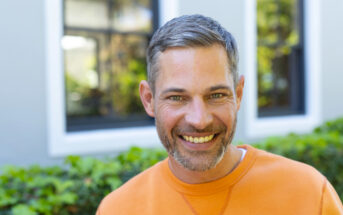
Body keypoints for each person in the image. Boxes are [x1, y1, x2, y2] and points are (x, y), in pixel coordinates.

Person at [96, 14, 343, 215]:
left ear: (238, 94)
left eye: (215, 95)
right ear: (149, 100)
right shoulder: (118, 208)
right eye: (177, 98)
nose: (199, 119)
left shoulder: (310, 193)